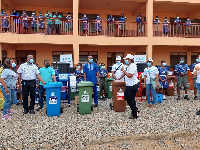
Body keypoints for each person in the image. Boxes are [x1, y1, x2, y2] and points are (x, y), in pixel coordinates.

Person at [121, 54, 139, 119]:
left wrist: (124, 70)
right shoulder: (128, 66)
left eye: (127, 59)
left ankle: (134, 114)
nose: (126, 61)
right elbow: (125, 74)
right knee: (126, 97)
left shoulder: (133, 66)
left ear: (130, 59)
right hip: (128, 84)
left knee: (132, 100)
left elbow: (130, 75)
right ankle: (135, 109)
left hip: (133, 84)